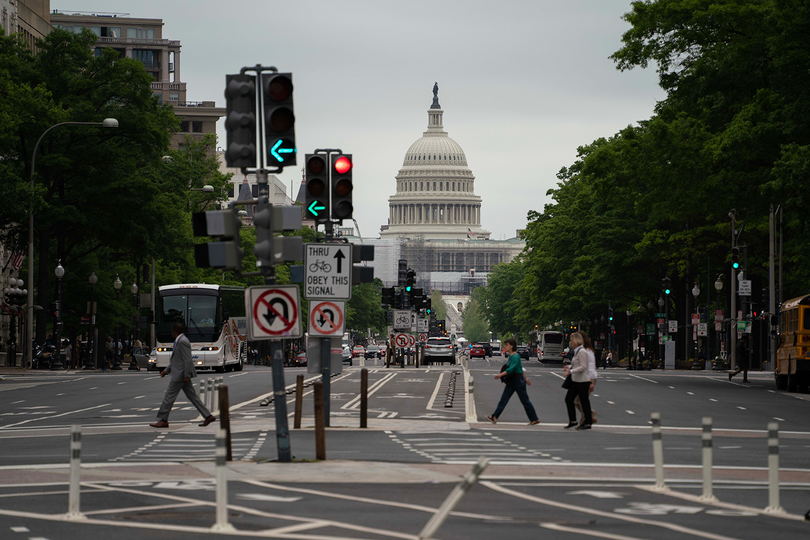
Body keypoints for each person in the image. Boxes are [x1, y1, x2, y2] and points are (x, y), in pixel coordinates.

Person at [150, 323, 215, 428]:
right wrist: (166, 370)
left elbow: (187, 360)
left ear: (174, 331)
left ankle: (163, 420)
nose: (171, 333)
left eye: (171, 331)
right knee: (193, 397)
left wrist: (186, 375)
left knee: (168, 397)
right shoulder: (180, 341)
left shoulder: (182, 342)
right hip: (181, 373)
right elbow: (177, 360)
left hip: (180, 375)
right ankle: (208, 416)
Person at [486, 338, 540, 425]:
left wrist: (500, 375)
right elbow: (520, 368)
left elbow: (512, 369)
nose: (505, 347)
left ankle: (534, 418)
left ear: (511, 346)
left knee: (524, 400)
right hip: (513, 380)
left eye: (506, 345)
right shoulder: (511, 356)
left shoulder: (515, 356)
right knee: (504, 399)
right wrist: (526, 379)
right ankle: (495, 416)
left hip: (518, 380)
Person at [563, 332, 593, 430]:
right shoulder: (577, 351)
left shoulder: (582, 352)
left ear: (576, 340)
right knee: (569, 399)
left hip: (582, 381)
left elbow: (584, 367)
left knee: (584, 401)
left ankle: (588, 422)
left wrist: (571, 371)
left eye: (571, 340)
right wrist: (570, 367)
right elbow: (578, 364)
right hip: (576, 380)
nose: (570, 342)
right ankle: (573, 421)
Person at [574, 332, 598, 427]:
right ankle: (590, 414)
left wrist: (591, 382)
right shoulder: (580, 350)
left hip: (588, 379)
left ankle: (584, 422)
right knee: (576, 401)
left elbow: (591, 367)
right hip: (582, 378)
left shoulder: (588, 351)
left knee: (581, 400)